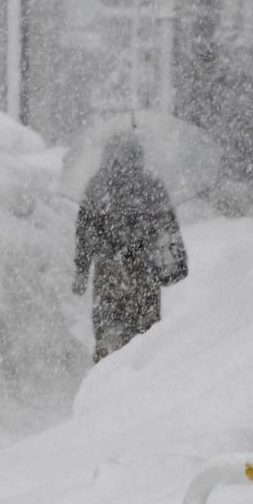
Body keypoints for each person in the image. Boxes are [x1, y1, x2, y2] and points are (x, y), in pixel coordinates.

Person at [72, 132, 183, 363]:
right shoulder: (151, 185)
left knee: (109, 329)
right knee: (146, 334)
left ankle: (107, 377)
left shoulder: (98, 186)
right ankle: (139, 380)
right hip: (144, 270)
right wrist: (174, 264)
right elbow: (166, 228)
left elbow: (85, 231)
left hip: (109, 272)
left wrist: (82, 268)